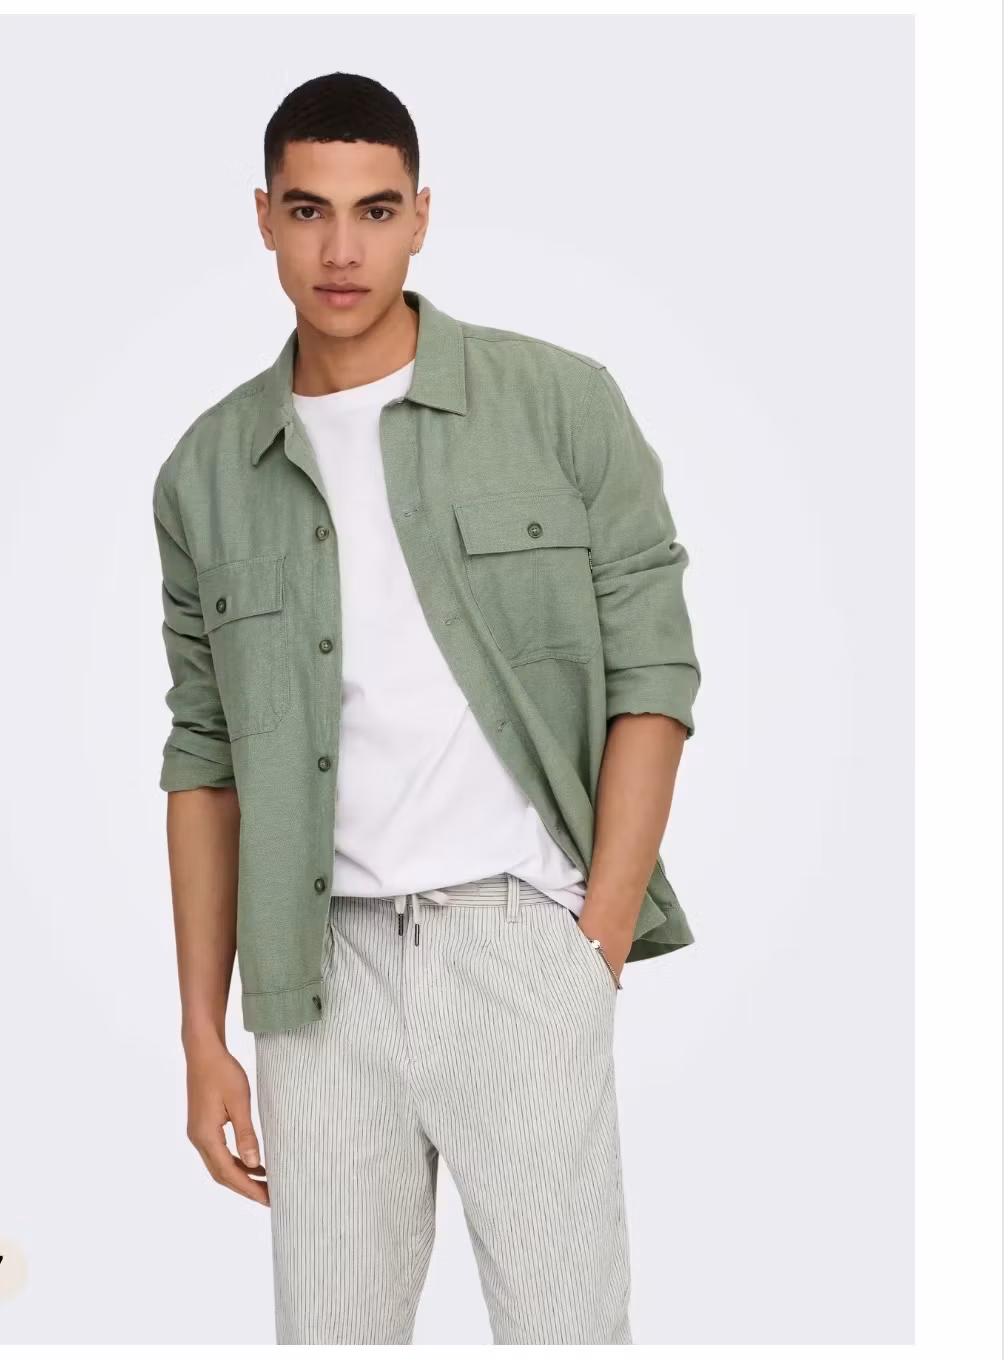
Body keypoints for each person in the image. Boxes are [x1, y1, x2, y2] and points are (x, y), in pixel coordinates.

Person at [152, 71, 702, 1346]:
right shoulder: (205, 472)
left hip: (518, 940)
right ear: (263, 217)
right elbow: (204, 757)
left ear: (420, 215)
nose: (340, 250)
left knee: (566, 1333)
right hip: (314, 976)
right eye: (308, 210)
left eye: (375, 210)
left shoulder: (557, 403)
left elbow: (652, 674)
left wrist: (594, 941)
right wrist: (202, 1036)